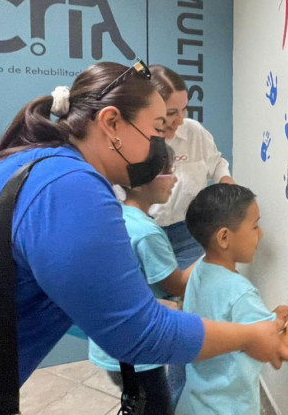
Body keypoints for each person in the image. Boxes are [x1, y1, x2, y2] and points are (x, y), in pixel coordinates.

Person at [0, 62, 288, 414]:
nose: (163, 146)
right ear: (111, 123)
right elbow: (140, 335)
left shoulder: (38, 162)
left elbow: (76, 301)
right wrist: (249, 335)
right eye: (155, 130)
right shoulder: (70, 188)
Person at [176, 184, 288, 415]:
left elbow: (222, 319)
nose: (260, 234)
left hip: (194, 402)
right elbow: (285, 347)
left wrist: (267, 318)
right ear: (224, 238)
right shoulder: (239, 293)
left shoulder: (200, 270)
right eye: (255, 226)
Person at [88, 142, 191, 415]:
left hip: (113, 348)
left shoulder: (117, 215)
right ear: (145, 181)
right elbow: (177, 284)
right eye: (169, 171)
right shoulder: (147, 233)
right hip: (138, 354)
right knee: (155, 407)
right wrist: (212, 252)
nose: (176, 179)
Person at [149, 65, 234, 271]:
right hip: (149, 235)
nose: (180, 120)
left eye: (184, 109)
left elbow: (217, 164)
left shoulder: (194, 132)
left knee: (191, 293)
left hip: (189, 233)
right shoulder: (136, 141)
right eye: (171, 113)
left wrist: (228, 185)